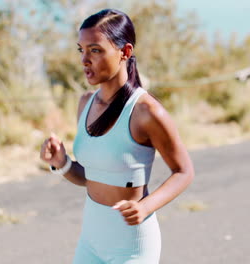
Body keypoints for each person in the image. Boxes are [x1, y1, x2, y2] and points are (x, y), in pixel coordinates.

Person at [40, 8, 194, 264]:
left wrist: (145, 206)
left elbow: (184, 172)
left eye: (96, 50)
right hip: (91, 240)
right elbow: (91, 178)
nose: (84, 60)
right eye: (82, 50)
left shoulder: (146, 112)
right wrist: (62, 163)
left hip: (132, 247)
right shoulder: (85, 103)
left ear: (125, 52)